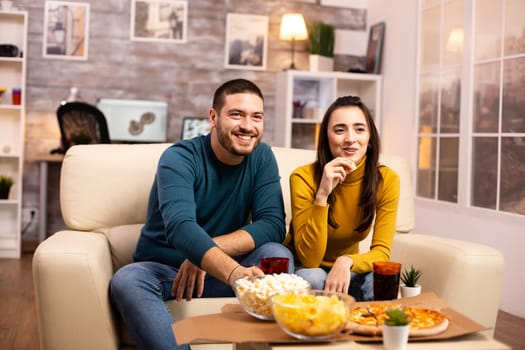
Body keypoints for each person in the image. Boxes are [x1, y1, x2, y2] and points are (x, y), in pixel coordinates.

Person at [110, 78, 293, 350]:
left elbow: (273, 224)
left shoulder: (262, 157)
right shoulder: (179, 158)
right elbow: (181, 227)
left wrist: (205, 254)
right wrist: (231, 272)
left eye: (257, 116)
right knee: (127, 280)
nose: (248, 126)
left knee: (278, 254)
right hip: (168, 274)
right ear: (213, 117)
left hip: (222, 271)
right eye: (236, 114)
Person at [285, 95, 400, 301]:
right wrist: (322, 195)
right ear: (326, 138)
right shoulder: (302, 177)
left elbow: (382, 252)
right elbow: (310, 259)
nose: (350, 138)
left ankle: (367, 331)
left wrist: (346, 261)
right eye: (340, 130)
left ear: (370, 138)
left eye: (359, 129)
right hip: (308, 269)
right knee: (314, 277)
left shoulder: (387, 180)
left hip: (348, 271)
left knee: (380, 280)